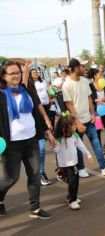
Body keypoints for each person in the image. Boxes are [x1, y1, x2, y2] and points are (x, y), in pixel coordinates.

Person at [0, 60, 55, 219]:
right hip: (11, 144)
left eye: (18, 72)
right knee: (11, 178)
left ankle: (35, 208)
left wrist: (47, 132)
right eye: (12, 73)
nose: (16, 76)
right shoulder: (1, 95)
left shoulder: (25, 90)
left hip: (31, 140)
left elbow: (36, 115)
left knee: (35, 174)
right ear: (4, 76)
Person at [62, 58, 105, 177]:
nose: (84, 68)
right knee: (78, 146)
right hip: (77, 122)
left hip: (89, 119)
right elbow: (69, 105)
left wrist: (93, 114)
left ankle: (103, 166)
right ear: (76, 68)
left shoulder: (84, 81)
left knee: (96, 144)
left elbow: (89, 98)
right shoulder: (66, 85)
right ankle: (81, 168)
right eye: (82, 66)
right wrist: (77, 123)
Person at [53, 114, 93, 210]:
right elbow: (56, 150)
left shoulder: (75, 136)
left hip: (74, 163)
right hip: (65, 165)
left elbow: (81, 145)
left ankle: (72, 196)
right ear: (66, 127)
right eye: (73, 125)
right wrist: (55, 146)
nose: (75, 127)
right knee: (72, 182)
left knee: (76, 181)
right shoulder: (59, 138)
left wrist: (88, 154)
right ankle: (72, 200)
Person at [29, 68, 53, 186]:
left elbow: (39, 105)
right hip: (24, 130)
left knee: (42, 148)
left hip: (38, 120)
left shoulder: (33, 88)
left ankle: (41, 172)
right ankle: (34, 173)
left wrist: (46, 120)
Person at [88, 68, 105, 154]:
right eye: (100, 74)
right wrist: (98, 100)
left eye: (102, 74)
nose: (101, 76)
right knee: (98, 130)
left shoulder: (104, 84)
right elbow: (91, 99)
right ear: (94, 76)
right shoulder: (90, 86)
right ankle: (99, 148)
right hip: (96, 111)